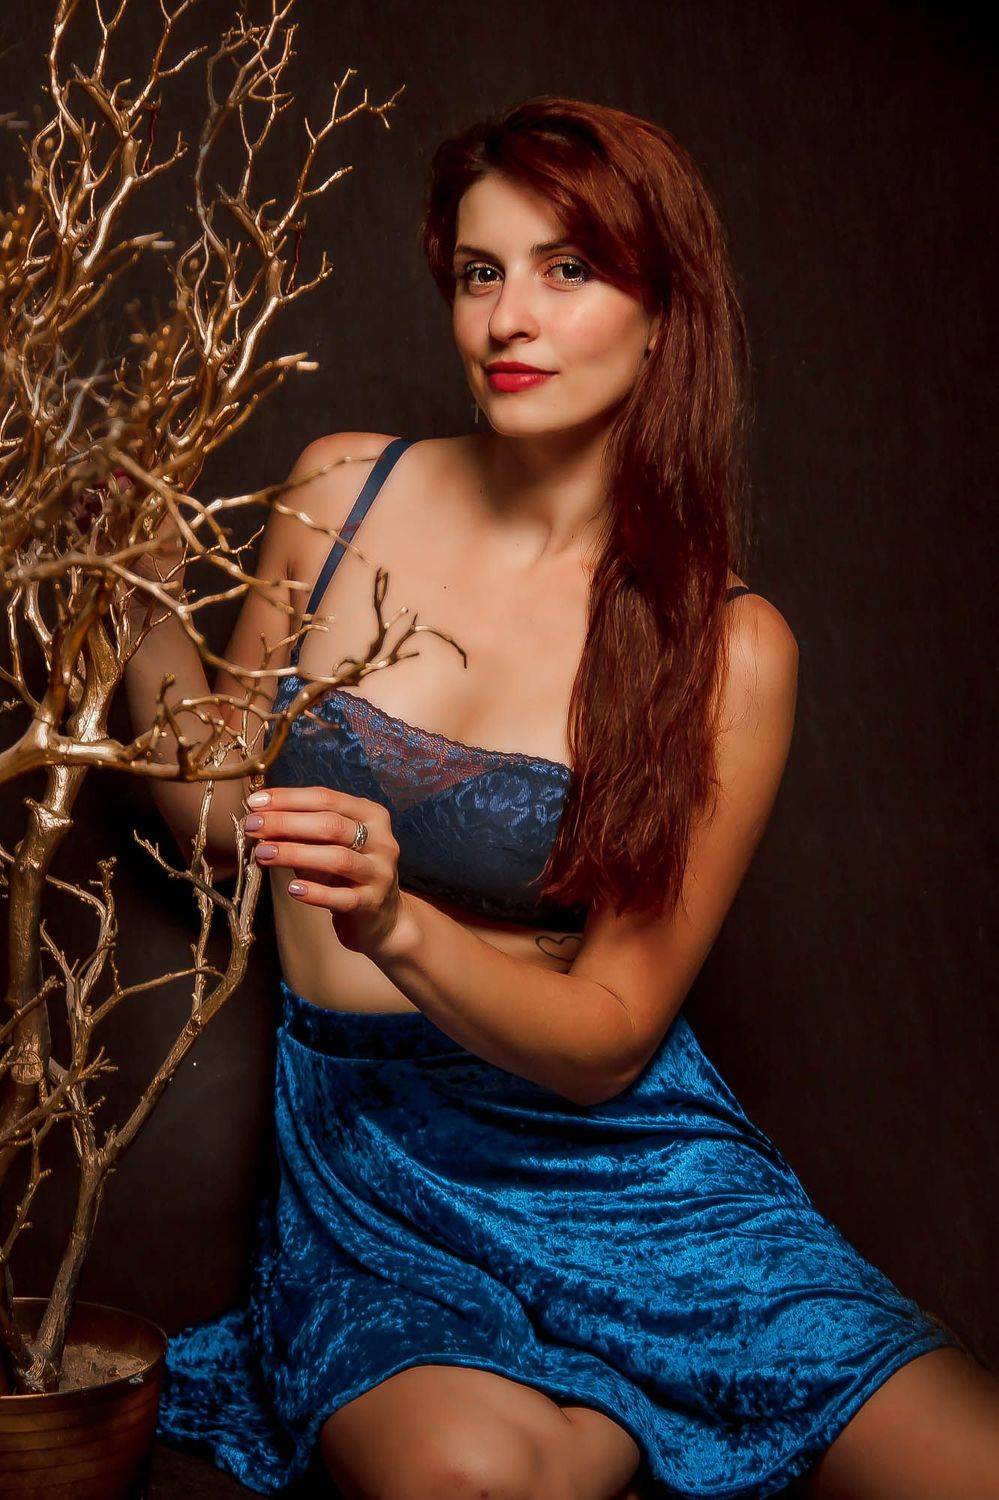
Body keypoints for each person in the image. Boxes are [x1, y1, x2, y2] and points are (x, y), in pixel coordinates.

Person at [127, 99, 999, 1499]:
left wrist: (398, 921)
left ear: (663, 317)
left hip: (620, 1164)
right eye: (480, 273)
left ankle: (636, 1393)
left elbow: (608, 1040)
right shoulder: (341, 491)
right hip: (374, 1158)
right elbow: (223, 816)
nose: (508, 319)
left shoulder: (730, 648)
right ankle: (617, 1417)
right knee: (467, 1476)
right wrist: (137, 599)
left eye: (568, 268)